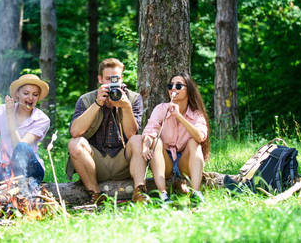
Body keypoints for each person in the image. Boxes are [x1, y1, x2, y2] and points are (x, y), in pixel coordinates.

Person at [67, 58, 143, 204]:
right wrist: (97, 104)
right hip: (96, 163)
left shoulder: (133, 98)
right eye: (108, 79)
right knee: (75, 143)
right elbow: (75, 132)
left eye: (116, 79)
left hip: (124, 161)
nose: (112, 83)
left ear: (122, 78)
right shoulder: (86, 99)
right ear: (100, 79)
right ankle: (95, 194)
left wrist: (126, 107)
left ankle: (139, 191)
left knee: (138, 140)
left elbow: (131, 135)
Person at [129, 72, 210, 205]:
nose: (173, 88)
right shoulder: (161, 109)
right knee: (156, 141)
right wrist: (145, 147)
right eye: (170, 85)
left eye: (178, 86)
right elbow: (150, 131)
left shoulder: (196, 114)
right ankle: (163, 194)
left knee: (194, 142)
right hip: (165, 161)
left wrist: (179, 116)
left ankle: (196, 193)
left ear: (188, 89)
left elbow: (200, 137)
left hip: (185, 163)